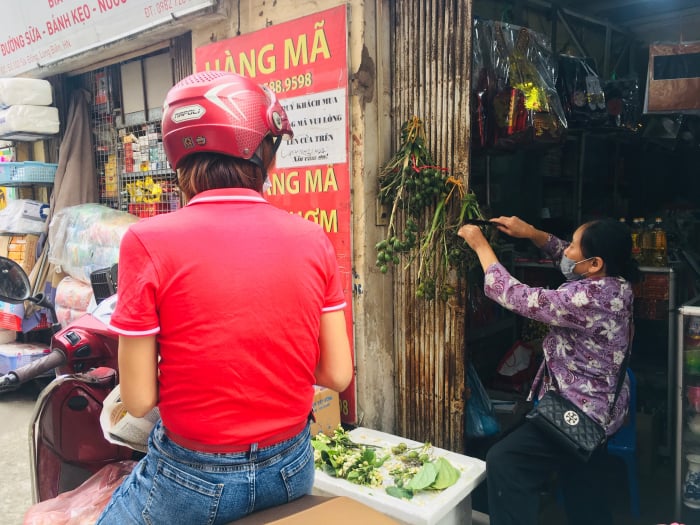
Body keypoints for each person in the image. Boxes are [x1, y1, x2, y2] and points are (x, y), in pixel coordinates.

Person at [96, 71, 353, 525]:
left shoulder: (146, 240)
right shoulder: (314, 239)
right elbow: (336, 373)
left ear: (178, 156)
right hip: (292, 468)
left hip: (189, 478)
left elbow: (136, 401)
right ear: (264, 156)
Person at [458, 215, 640, 525]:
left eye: (573, 246)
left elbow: (518, 297)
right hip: (602, 408)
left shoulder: (589, 297)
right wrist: (531, 233)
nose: (566, 250)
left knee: (505, 461)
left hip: (578, 410)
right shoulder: (617, 285)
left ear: (594, 264)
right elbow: (566, 258)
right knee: (582, 485)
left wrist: (480, 245)